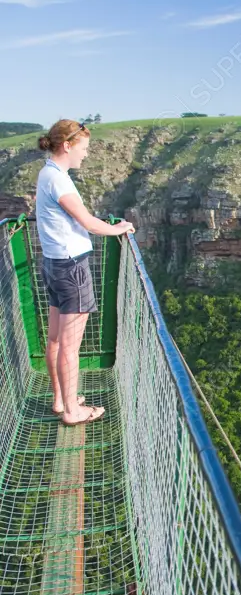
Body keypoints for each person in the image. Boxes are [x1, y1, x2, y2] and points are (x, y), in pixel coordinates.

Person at [35, 119, 135, 426]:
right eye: (84, 148)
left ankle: (60, 400)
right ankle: (72, 412)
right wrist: (117, 228)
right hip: (72, 268)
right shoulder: (60, 181)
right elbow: (89, 222)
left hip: (53, 263)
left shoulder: (47, 173)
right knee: (70, 346)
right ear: (67, 145)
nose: (86, 154)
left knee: (55, 340)